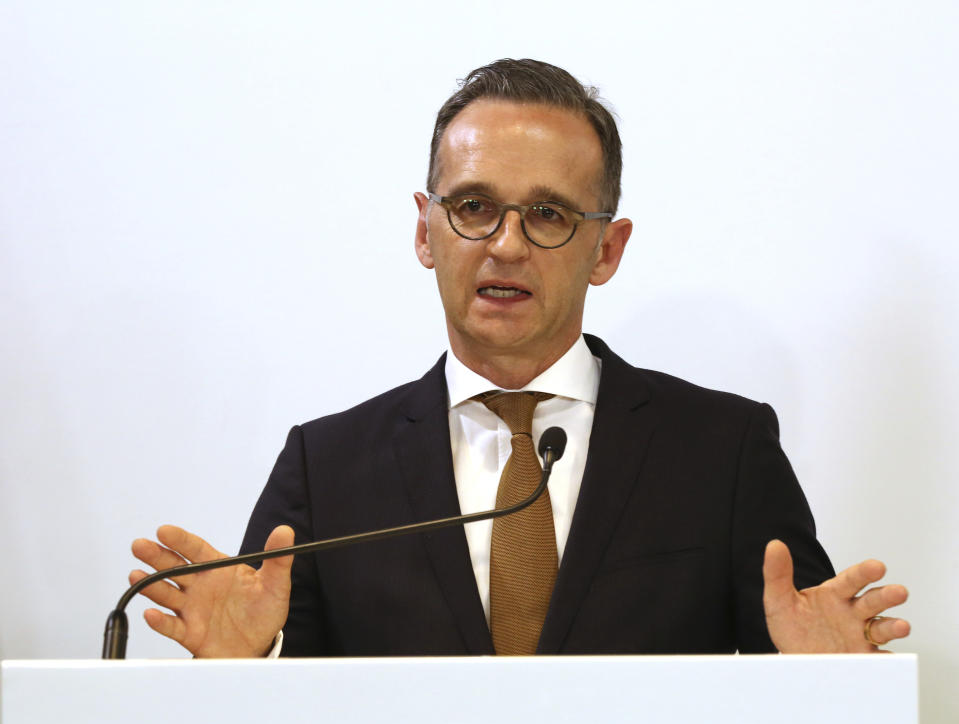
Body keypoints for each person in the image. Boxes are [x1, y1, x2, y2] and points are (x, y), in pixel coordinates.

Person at [130, 59, 910, 658]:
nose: (505, 244)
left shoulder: (722, 450)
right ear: (424, 232)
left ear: (606, 247)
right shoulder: (326, 466)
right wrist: (243, 664)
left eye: (547, 214)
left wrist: (825, 681)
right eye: (473, 206)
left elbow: (800, 687)